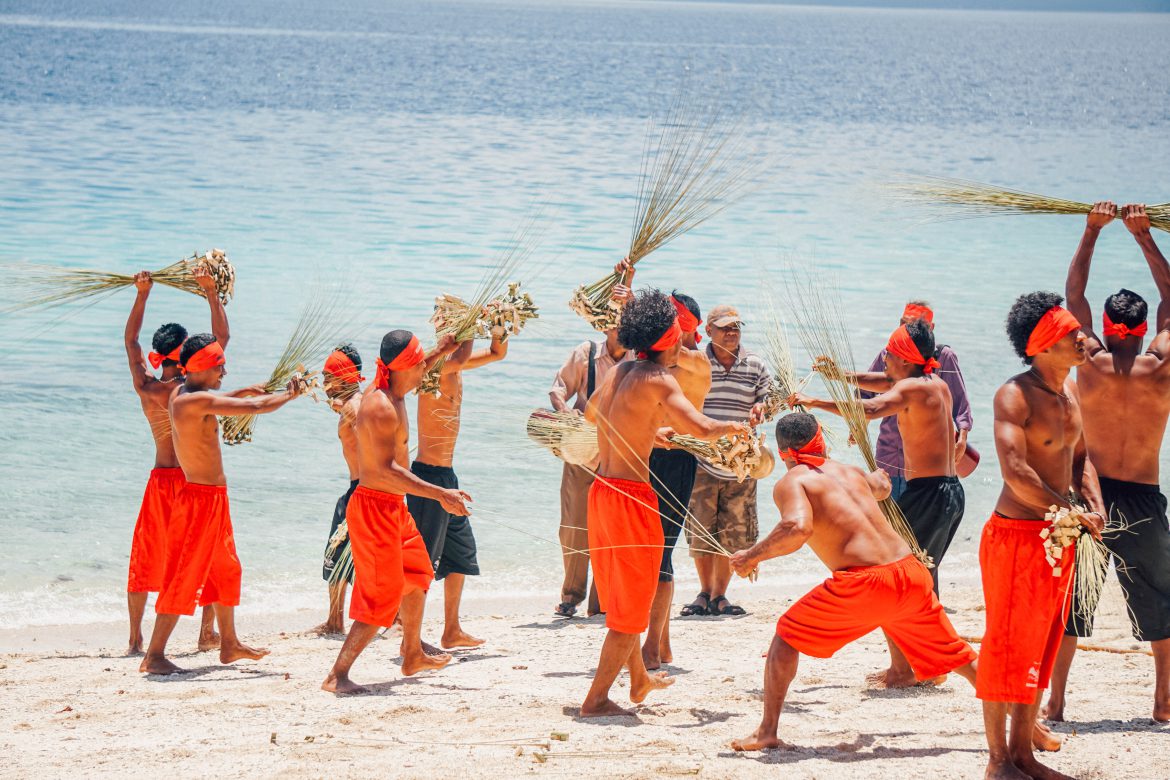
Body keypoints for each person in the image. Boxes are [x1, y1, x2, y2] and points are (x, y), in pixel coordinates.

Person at [727, 412, 977, 752]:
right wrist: (879, 479)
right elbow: (882, 487)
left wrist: (752, 556)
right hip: (911, 572)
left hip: (865, 583)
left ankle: (767, 731)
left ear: (783, 453)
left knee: (786, 636)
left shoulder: (793, 481)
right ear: (821, 440)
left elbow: (797, 528)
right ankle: (1029, 725)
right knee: (959, 657)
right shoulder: (849, 471)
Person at [580, 289, 749, 717]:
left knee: (623, 598)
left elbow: (592, 416)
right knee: (631, 609)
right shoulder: (660, 379)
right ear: (671, 340)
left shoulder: (621, 370)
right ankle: (596, 700)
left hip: (601, 491)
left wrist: (644, 434)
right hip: (632, 500)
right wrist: (734, 426)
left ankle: (638, 680)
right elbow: (702, 426)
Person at [1045, 202, 1170, 723]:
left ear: (1105, 325)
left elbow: (1073, 295)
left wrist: (1092, 229)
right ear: (1143, 329)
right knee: (1161, 601)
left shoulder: (1089, 362)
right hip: (1142, 497)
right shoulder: (1161, 364)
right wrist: (1144, 237)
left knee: (1072, 606)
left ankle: (1056, 703)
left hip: (1090, 495)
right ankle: (1163, 704)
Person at [795, 318, 962, 688]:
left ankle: (911, 669)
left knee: (897, 579)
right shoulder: (930, 383)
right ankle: (923, 666)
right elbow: (879, 384)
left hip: (929, 494)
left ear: (904, 359)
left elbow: (869, 410)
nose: (884, 357)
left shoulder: (914, 391)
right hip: (946, 493)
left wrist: (814, 401)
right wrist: (839, 375)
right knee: (917, 581)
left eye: (889, 352)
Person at [978, 292, 1104, 780]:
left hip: (1059, 534)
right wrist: (1070, 509)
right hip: (1015, 536)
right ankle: (997, 761)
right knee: (1006, 644)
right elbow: (1015, 472)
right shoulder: (1015, 395)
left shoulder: (1069, 391)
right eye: (1072, 333)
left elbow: (1079, 460)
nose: (1082, 338)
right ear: (1044, 344)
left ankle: (1023, 755)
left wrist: (1093, 504)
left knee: (1042, 645)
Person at [139, 334, 307, 675]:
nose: (224, 372)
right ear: (201, 367)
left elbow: (222, 397)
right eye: (219, 366)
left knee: (227, 569)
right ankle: (154, 655)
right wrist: (289, 394)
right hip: (199, 501)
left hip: (213, 500)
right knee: (184, 577)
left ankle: (229, 644)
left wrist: (247, 389)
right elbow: (257, 408)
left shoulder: (185, 393)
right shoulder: (189, 402)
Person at [322, 330, 472, 695]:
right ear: (406, 367)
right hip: (374, 509)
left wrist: (443, 349)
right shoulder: (381, 407)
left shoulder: (396, 387)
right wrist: (440, 495)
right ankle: (337, 675)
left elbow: (420, 363)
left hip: (394, 508)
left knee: (419, 573)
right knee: (381, 598)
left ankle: (411, 653)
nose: (426, 368)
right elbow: (387, 470)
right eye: (420, 362)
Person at [124, 267, 228, 656]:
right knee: (207, 553)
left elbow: (131, 339)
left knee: (144, 554)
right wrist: (211, 293)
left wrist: (142, 294)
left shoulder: (147, 388)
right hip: (191, 483)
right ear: (186, 353)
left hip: (159, 480)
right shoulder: (192, 391)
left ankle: (135, 636)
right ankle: (206, 633)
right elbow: (221, 340)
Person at [407, 326, 507, 649]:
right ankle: (411, 640)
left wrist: (500, 325)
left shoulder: (456, 368)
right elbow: (462, 353)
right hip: (428, 479)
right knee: (421, 563)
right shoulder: (433, 368)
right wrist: (471, 324)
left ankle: (451, 630)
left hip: (448, 478)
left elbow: (497, 353)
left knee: (461, 554)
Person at [549, 260, 635, 618]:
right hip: (581, 454)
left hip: (620, 457)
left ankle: (600, 603)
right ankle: (571, 596)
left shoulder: (638, 360)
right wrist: (566, 415)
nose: (624, 329)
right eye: (619, 322)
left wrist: (630, 281)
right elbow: (558, 390)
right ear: (606, 324)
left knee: (611, 530)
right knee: (573, 527)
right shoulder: (584, 353)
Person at [681, 304, 770, 618]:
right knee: (701, 530)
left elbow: (766, 397)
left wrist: (762, 408)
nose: (732, 332)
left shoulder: (755, 364)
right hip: (702, 459)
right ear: (708, 331)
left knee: (733, 533)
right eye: (725, 327)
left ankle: (720, 595)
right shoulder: (696, 362)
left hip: (741, 464)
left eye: (736, 327)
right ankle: (704, 592)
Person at [642, 291, 710, 670]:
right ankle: (661, 644)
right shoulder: (654, 359)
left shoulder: (696, 362)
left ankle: (652, 645)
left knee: (660, 552)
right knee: (646, 550)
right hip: (643, 454)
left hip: (675, 459)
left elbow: (668, 353)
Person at [859, 301, 974, 501]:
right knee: (887, 524)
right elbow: (867, 390)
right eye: (903, 323)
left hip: (925, 466)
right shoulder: (890, 353)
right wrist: (859, 425)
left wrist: (962, 438)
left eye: (914, 324)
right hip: (888, 454)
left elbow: (960, 403)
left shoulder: (945, 357)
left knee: (915, 527)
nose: (906, 330)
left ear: (931, 328)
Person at [314, 345, 366, 636]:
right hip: (359, 487)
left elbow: (368, 444)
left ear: (343, 378)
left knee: (335, 553)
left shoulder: (353, 409)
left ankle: (336, 621)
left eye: (327, 377)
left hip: (362, 489)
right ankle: (335, 620)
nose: (323, 384)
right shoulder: (354, 403)